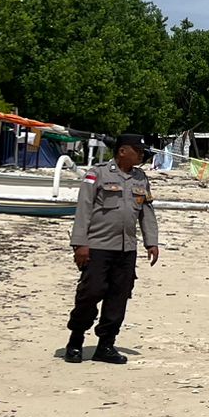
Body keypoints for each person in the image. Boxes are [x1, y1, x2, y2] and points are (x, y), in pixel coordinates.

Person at [64, 134, 159, 365]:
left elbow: (146, 212)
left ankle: (106, 344)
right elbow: (83, 210)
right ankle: (75, 340)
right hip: (97, 246)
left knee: (119, 296)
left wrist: (151, 242)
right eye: (138, 151)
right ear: (123, 151)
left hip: (126, 249)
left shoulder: (140, 178)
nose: (142, 155)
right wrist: (80, 244)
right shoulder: (97, 174)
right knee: (91, 292)